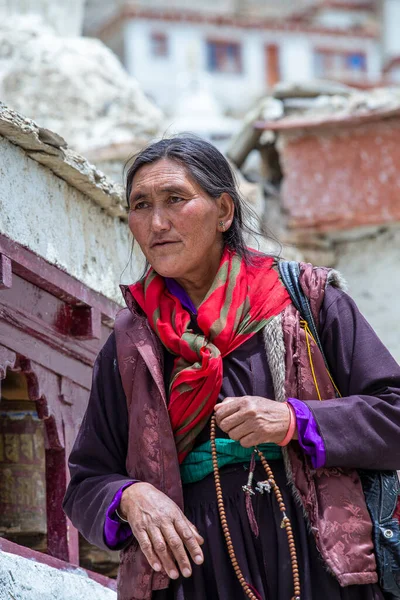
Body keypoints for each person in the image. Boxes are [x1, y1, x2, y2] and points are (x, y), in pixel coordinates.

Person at [63, 137, 400, 600]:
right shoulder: (132, 343)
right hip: (194, 573)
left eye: (175, 200)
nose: (156, 222)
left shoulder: (308, 302)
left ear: (223, 211)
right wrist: (130, 499)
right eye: (140, 205)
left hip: (318, 561)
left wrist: (295, 421)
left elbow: (394, 415)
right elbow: (85, 480)